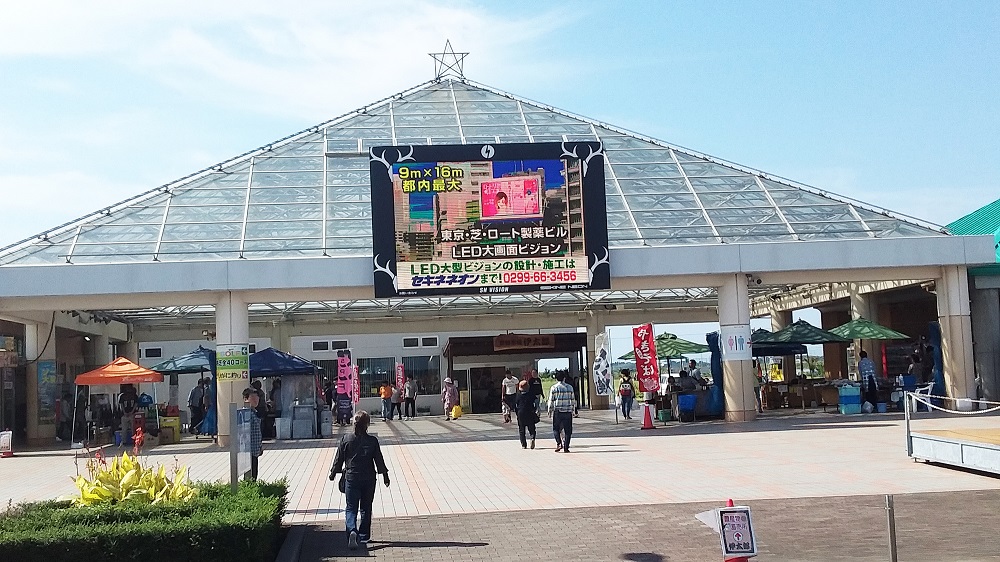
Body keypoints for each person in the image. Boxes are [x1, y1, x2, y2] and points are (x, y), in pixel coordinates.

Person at [329, 411, 390, 550]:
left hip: (352, 478)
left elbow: (339, 459)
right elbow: (379, 460)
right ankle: (363, 535)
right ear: (367, 425)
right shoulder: (372, 441)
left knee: (351, 508)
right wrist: (385, 476)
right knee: (366, 507)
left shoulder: (346, 439)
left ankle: (352, 530)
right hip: (369, 478)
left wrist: (333, 473)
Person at [547, 371, 577, 453]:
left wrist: (549, 410)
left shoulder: (554, 388)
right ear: (564, 378)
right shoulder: (570, 387)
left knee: (556, 429)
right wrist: (574, 410)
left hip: (558, 411)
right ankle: (566, 447)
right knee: (568, 430)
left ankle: (559, 443)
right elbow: (573, 400)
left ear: (556, 378)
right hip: (567, 411)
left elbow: (551, 400)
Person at [242, 387, 263, 480]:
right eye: (252, 397)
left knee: (254, 475)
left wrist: (260, 447)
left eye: (257, 397)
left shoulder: (253, 412)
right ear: (246, 399)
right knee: (250, 476)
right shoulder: (246, 413)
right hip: (248, 451)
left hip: (254, 450)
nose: (256, 399)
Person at [514, 380, 537, 449]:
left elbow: (515, 405)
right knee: (532, 428)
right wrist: (534, 410)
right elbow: (535, 403)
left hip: (521, 413)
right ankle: (532, 437)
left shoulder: (518, 395)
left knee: (521, 429)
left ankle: (524, 444)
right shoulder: (531, 394)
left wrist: (517, 413)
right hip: (530, 412)